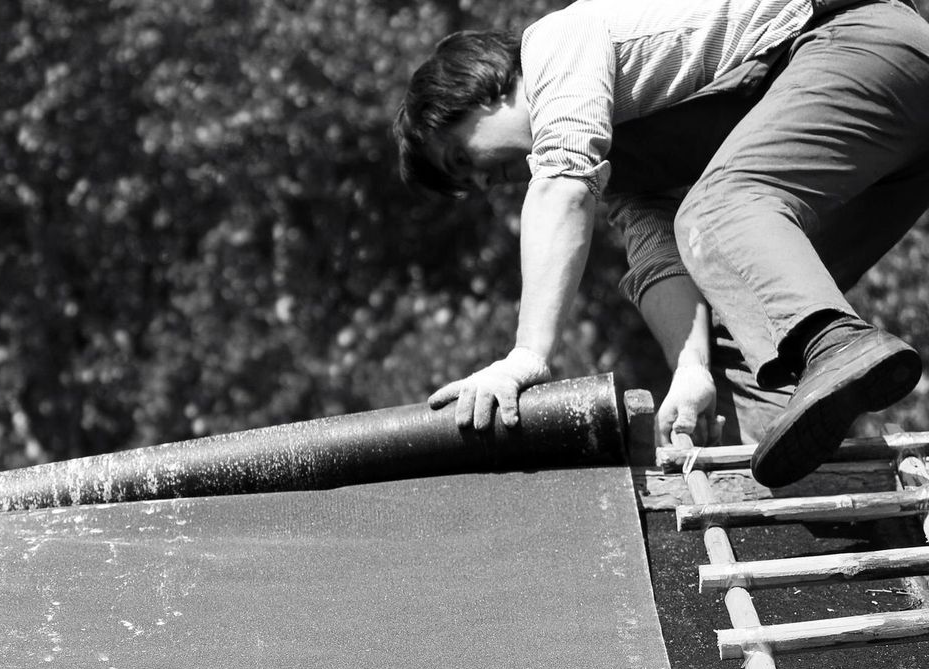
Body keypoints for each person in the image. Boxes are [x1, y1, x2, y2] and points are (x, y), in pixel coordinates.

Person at [393, 0, 929, 487]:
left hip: (863, 45)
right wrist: (690, 370)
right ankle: (803, 495)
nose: (485, 184)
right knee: (743, 313)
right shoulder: (628, 162)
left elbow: (561, 180)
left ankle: (833, 345)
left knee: (717, 211)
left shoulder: (556, 43)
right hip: (902, 154)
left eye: (464, 160)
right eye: (468, 186)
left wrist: (525, 358)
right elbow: (660, 258)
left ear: (484, 88)